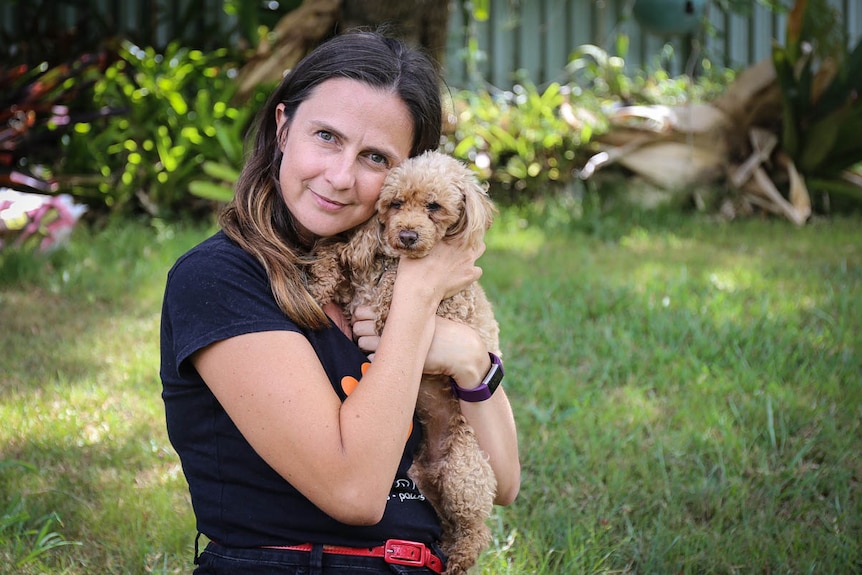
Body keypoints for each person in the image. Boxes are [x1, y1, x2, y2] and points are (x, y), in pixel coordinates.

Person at [160, 30, 520, 575]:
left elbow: (506, 482)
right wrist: (418, 302)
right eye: (326, 136)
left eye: (375, 156)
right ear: (283, 128)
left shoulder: (383, 281)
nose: (341, 176)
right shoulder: (219, 281)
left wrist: (469, 359)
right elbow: (355, 494)